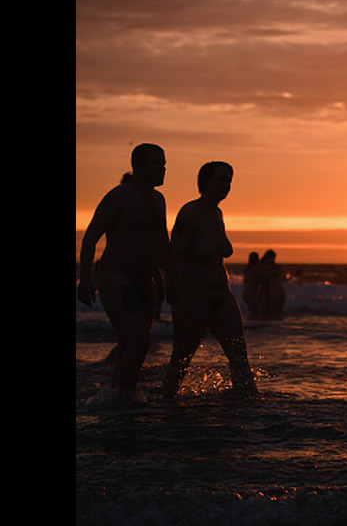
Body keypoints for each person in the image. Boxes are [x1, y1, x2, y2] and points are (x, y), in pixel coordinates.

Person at [77, 143, 171, 401]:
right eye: (157, 163)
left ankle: (116, 397)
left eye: (164, 163)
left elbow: (162, 245)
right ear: (138, 166)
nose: (163, 168)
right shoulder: (118, 197)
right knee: (139, 342)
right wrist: (85, 280)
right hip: (117, 280)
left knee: (130, 344)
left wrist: (165, 283)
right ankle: (120, 398)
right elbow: (90, 238)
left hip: (146, 283)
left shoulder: (158, 199)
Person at [163, 161, 258, 399]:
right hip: (193, 293)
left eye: (229, 181)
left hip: (221, 292)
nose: (226, 185)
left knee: (238, 352)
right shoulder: (190, 213)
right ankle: (165, 401)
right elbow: (174, 254)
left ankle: (248, 399)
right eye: (221, 179)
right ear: (205, 181)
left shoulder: (217, 213)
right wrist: (170, 285)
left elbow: (222, 248)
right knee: (183, 356)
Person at [258, 249, 286, 320]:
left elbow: (263, 277)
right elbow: (283, 277)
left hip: (272, 291)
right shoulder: (276, 267)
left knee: (269, 313)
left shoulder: (264, 265)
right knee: (277, 313)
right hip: (280, 291)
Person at [242, 252, 261, 320]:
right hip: (251, 293)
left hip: (245, 293)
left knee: (252, 310)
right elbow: (262, 278)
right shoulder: (254, 269)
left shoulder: (247, 269)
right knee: (255, 311)